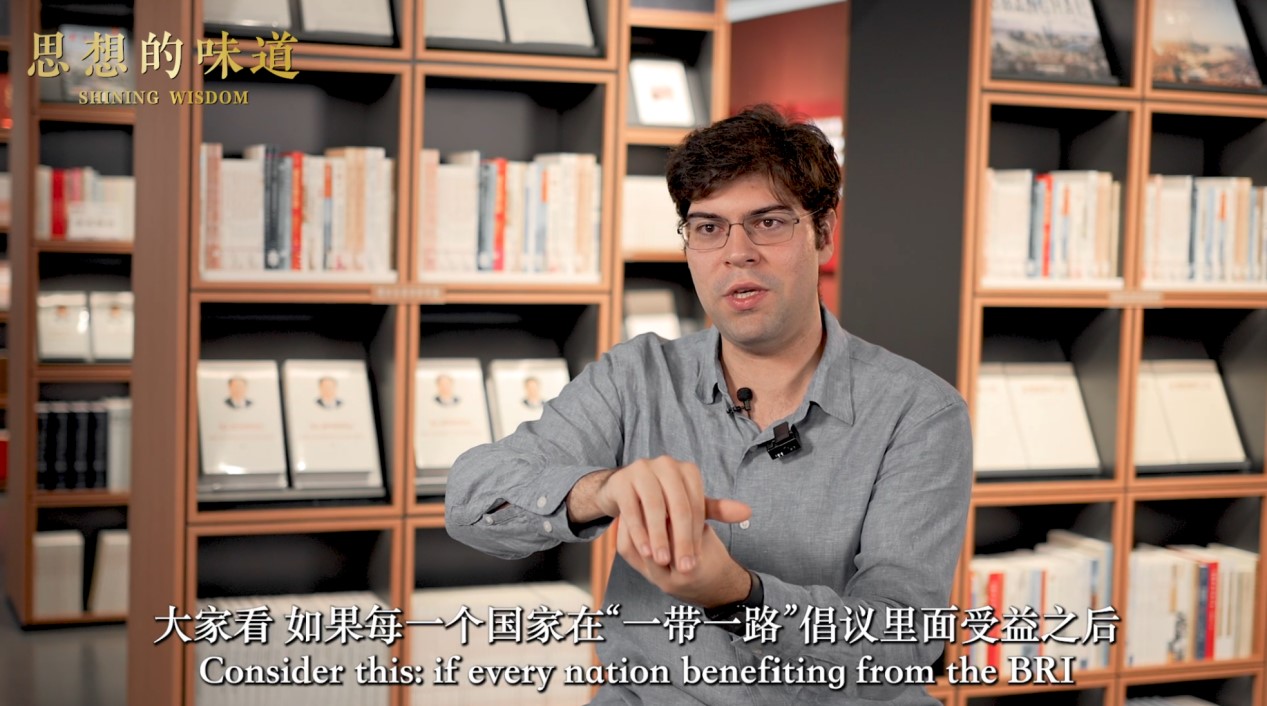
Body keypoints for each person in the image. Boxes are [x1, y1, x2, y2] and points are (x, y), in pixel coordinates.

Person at [445, 104, 972, 704]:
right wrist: (604, 490)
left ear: (823, 232)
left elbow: (902, 640)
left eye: (768, 222)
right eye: (708, 227)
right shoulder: (636, 376)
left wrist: (739, 598)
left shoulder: (920, 413)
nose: (736, 253)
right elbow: (471, 499)